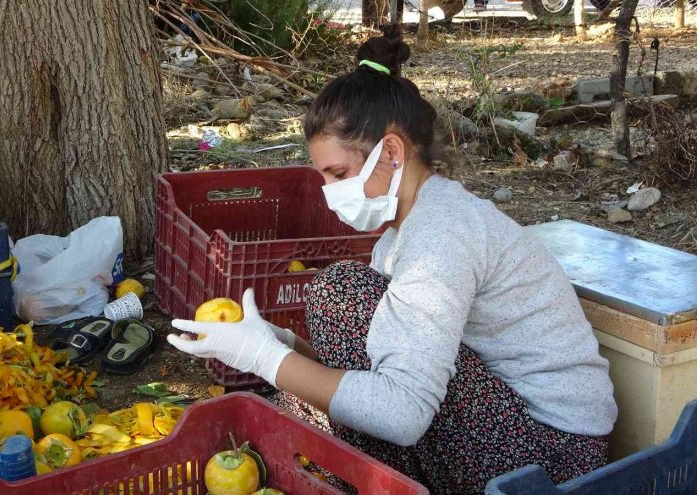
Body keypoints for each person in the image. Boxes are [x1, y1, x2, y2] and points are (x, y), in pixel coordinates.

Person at [166, 31, 618, 495]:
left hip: (550, 455)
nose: (329, 193)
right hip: (500, 422)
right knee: (313, 390)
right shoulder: (401, 234)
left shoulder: (443, 234)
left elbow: (401, 414)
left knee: (340, 294)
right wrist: (281, 343)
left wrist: (262, 357)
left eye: (338, 174)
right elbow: (381, 359)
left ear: (393, 152)